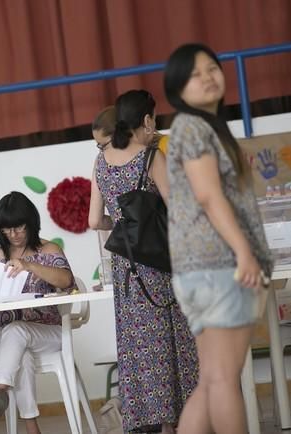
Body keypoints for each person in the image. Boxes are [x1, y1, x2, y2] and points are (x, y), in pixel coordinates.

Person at [163, 44, 273, 434]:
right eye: (196, 74)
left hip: (200, 271)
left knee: (211, 380)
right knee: (225, 379)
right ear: (177, 87)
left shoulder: (202, 128)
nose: (209, 77)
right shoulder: (192, 126)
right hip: (219, 266)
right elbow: (209, 194)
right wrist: (244, 252)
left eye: (213, 68)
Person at [89, 91, 198, 434]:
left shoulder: (101, 160)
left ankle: (150, 421)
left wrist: (123, 225)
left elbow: (95, 220)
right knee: (171, 341)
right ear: (147, 120)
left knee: (140, 346)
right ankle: (175, 425)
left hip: (127, 267)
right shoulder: (151, 156)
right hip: (159, 263)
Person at [0, 191, 75, 434]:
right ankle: (31, 426)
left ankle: (0, 388)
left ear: (31, 223)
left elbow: (66, 280)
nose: (13, 235)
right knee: (19, 353)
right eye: (6, 229)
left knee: (17, 330)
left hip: (47, 333)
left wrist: (29, 265)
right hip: (1, 335)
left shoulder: (49, 249)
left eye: (19, 227)